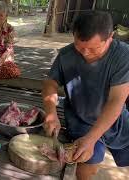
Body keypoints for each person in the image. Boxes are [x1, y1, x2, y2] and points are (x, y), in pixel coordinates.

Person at [42, 11, 129, 180]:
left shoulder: (123, 56)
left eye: (93, 48)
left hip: (115, 118)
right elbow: (49, 83)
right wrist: (51, 113)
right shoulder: (66, 55)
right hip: (80, 119)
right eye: (79, 46)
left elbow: (116, 101)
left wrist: (92, 138)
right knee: (88, 160)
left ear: (110, 37)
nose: (85, 53)